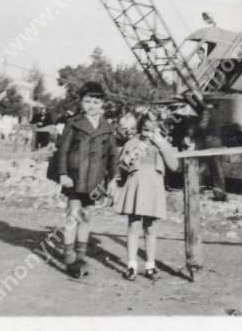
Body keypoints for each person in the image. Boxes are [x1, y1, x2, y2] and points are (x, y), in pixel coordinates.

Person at [56, 81, 118, 279]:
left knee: (86, 215)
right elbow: (63, 150)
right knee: (73, 214)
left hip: (96, 179)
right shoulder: (73, 123)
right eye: (88, 101)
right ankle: (69, 257)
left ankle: (81, 256)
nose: (92, 106)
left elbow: (113, 155)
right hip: (75, 176)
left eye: (96, 102)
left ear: (103, 104)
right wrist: (63, 174)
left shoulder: (107, 127)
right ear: (81, 102)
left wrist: (113, 178)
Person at [116, 110, 178, 281]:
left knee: (151, 227)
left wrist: (162, 145)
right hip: (136, 184)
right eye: (145, 130)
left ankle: (150, 266)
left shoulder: (162, 143)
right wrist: (132, 155)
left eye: (153, 130)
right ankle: (131, 266)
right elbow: (123, 165)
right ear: (139, 128)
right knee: (134, 225)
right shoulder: (132, 142)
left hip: (154, 185)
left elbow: (174, 166)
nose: (148, 134)